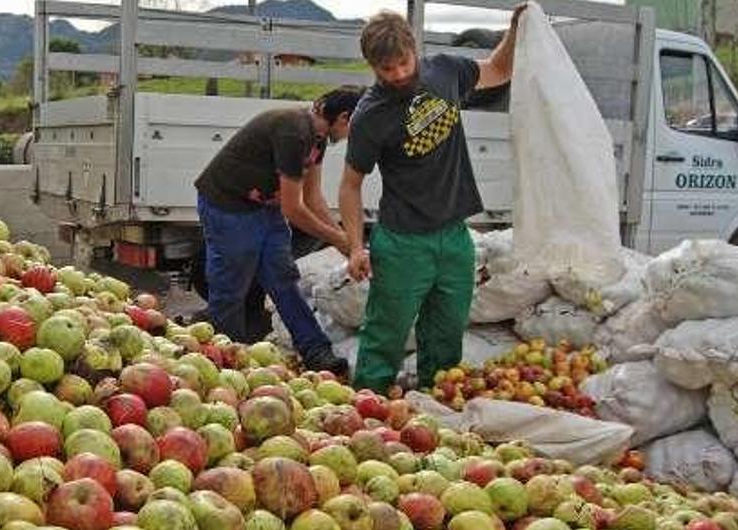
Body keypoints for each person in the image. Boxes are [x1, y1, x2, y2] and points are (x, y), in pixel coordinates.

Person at [338, 7, 524, 390]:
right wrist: (356, 246)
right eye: (387, 70)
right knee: (386, 335)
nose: (399, 75)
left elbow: (499, 69)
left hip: (455, 236)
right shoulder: (369, 115)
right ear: (373, 66)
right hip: (402, 241)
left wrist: (514, 30)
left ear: (414, 47)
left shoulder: (445, 71)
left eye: (404, 63)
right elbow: (350, 185)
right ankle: (367, 409)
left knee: (447, 334)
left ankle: (437, 408)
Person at [195, 86, 364, 374]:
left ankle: (317, 351)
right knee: (231, 285)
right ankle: (228, 362)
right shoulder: (293, 130)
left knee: (283, 278)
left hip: (264, 207)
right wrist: (337, 239)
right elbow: (293, 209)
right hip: (228, 205)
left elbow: (313, 199)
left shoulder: (317, 141)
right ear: (345, 118)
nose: (354, 136)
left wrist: (349, 242)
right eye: (357, 127)